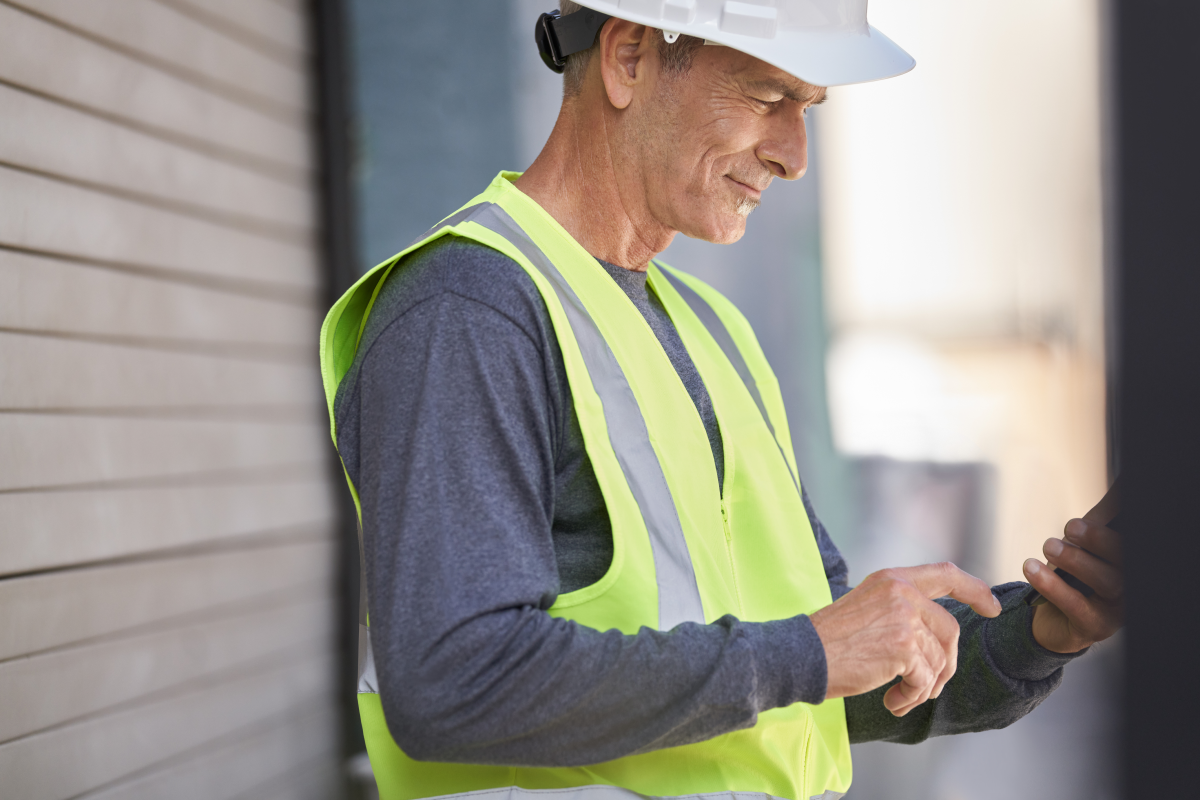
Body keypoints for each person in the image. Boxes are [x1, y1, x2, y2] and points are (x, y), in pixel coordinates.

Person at [319, 3, 1124, 799]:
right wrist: (811, 651)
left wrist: (1044, 630)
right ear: (629, 55)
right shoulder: (468, 312)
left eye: (809, 109)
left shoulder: (713, 332)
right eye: (768, 97)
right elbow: (457, 682)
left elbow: (804, 681)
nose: (794, 156)